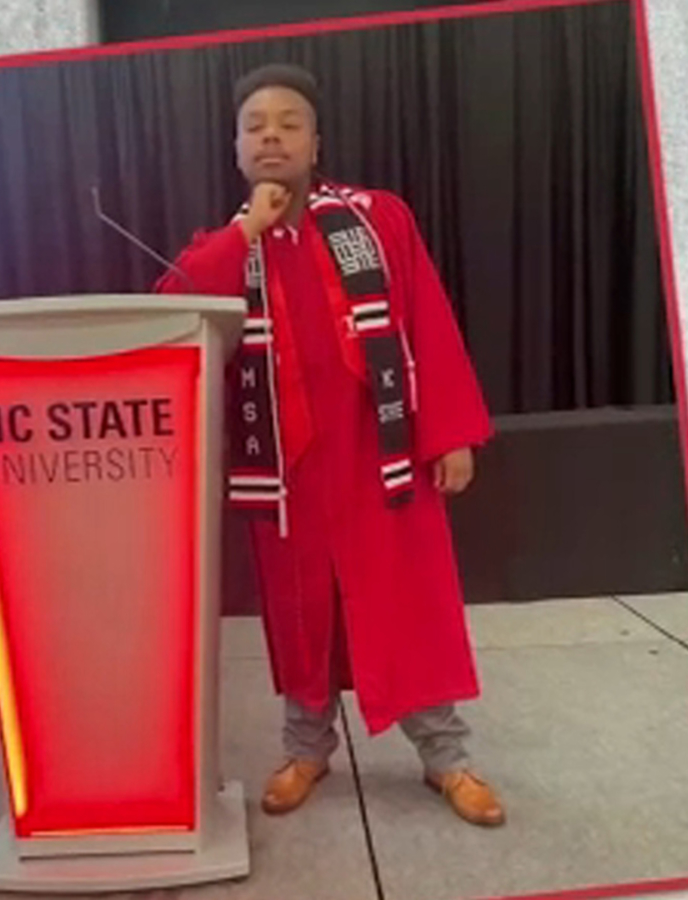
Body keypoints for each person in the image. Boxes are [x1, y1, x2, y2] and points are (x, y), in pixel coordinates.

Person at [155, 64, 503, 827]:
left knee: (405, 609)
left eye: (288, 122)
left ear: (316, 141)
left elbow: (428, 326)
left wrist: (449, 434)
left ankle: (447, 760)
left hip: (381, 457)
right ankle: (307, 748)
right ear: (237, 148)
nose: (271, 135)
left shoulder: (378, 219)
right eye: (255, 125)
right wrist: (246, 228)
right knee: (301, 612)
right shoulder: (225, 247)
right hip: (286, 468)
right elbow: (171, 312)